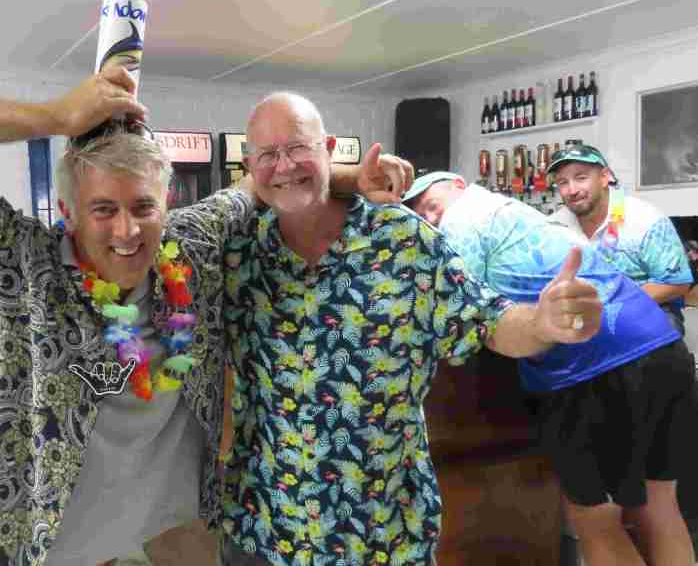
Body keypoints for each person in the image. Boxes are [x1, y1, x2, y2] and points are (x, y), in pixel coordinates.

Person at [0, 69, 410, 566]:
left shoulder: (193, 246)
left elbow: (262, 185)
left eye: (143, 207)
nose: (127, 231)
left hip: (138, 538)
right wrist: (53, 116)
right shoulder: (11, 261)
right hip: (2, 544)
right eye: (103, 209)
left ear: (167, 205)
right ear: (67, 211)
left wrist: (347, 180)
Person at [218, 93, 603, 566]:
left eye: (298, 147)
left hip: (383, 533)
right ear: (249, 165)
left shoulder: (401, 238)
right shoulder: (237, 250)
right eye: (267, 154)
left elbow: (488, 320)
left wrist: (542, 323)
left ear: (330, 149)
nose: (283, 165)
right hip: (263, 530)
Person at [403, 171, 695, 566]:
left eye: (428, 204)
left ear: (458, 185)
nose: (428, 217)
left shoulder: (464, 217)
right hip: (661, 345)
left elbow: (447, 309)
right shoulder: (519, 214)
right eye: (417, 213)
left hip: (594, 367)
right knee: (658, 505)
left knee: (595, 520)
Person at [547, 144, 693, 334]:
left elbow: (677, 283)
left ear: (604, 177)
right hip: (580, 312)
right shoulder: (553, 226)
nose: (572, 190)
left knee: (664, 333)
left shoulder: (646, 219)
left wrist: (610, 304)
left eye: (581, 178)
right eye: (563, 182)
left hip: (642, 306)